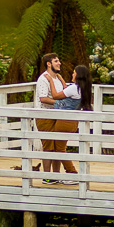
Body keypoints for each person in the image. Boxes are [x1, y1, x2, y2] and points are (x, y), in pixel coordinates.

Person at [35, 53, 78, 183]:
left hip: (57, 115)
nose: (59, 63)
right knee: (48, 146)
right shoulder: (43, 79)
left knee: (57, 145)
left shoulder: (58, 78)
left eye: (58, 61)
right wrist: (60, 104)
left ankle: (56, 175)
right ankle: (47, 176)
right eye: (56, 61)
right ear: (49, 64)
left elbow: (64, 93)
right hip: (45, 115)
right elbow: (43, 99)